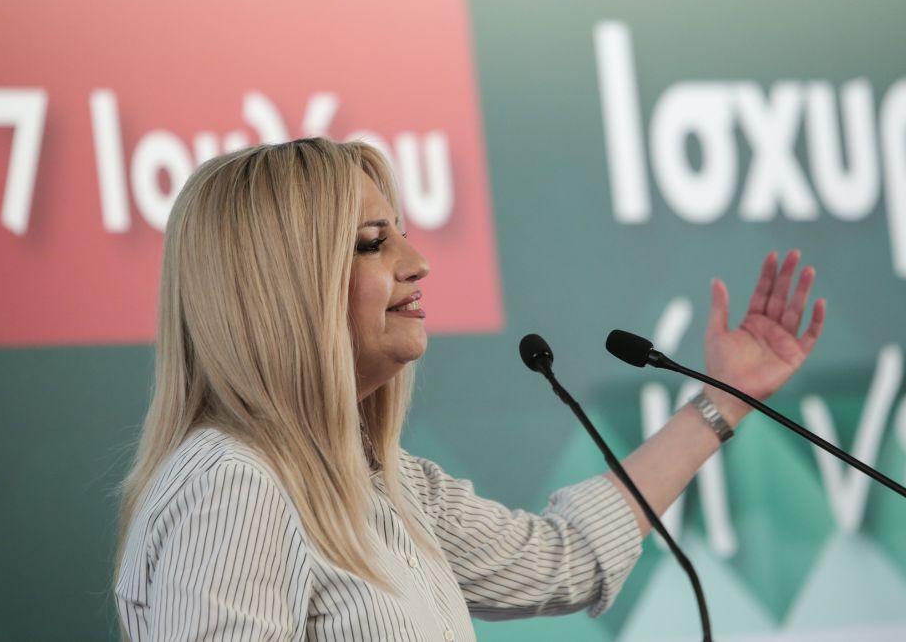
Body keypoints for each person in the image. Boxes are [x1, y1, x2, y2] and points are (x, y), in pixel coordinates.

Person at [114, 137, 824, 641]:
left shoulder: (390, 485)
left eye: (402, 234)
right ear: (281, 287)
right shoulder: (232, 485)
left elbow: (567, 557)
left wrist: (725, 398)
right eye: (373, 242)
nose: (418, 262)